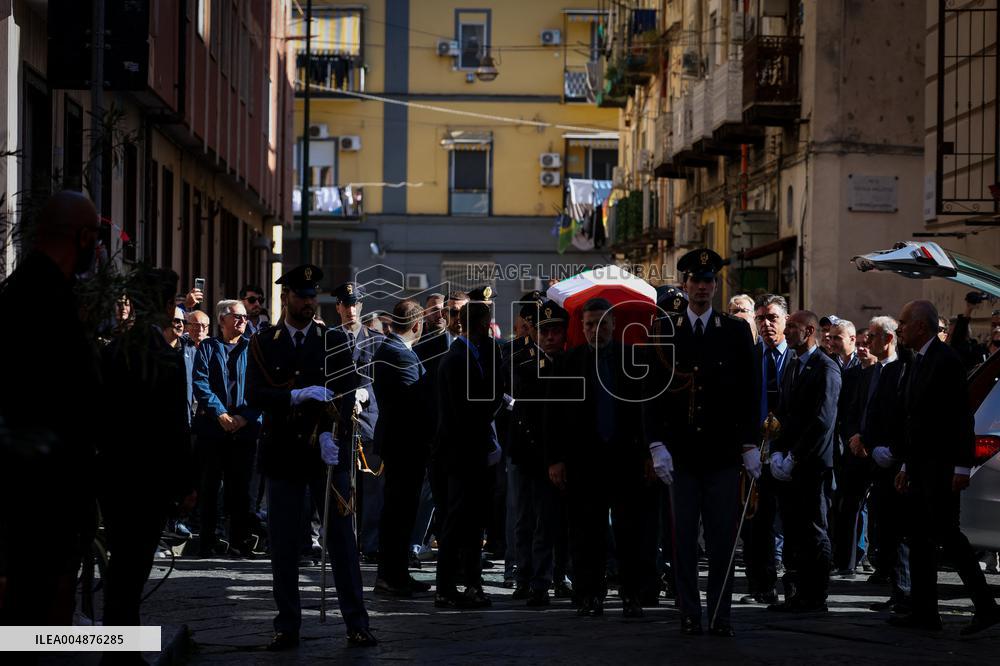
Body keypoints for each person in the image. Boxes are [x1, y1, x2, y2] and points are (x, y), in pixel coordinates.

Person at [245, 264, 376, 649]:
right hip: (284, 453)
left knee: (342, 543)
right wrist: (293, 396)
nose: (307, 302)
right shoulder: (265, 342)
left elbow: (349, 392)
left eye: (312, 296)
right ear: (286, 297)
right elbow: (254, 394)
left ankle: (356, 621)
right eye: (301, 296)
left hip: (326, 453)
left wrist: (335, 434)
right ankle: (287, 624)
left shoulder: (331, 338)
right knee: (284, 544)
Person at [0, 191, 102, 626]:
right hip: (36, 493)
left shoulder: (41, 291)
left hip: (48, 487)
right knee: (32, 611)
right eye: (95, 237)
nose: (97, 249)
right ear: (80, 236)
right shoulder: (40, 298)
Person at [644, 249, 757, 636]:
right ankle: (690, 612)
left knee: (723, 539)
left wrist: (750, 443)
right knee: (683, 541)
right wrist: (656, 443)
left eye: (709, 282)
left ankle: (721, 614)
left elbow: (749, 393)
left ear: (715, 286)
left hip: (723, 454)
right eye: (696, 281)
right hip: (681, 455)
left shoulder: (735, 332)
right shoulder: (665, 331)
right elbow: (652, 394)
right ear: (685, 285)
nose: (702, 289)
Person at [890, 300, 1000, 634]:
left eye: (904, 322)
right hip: (922, 465)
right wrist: (907, 465)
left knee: (948, 537)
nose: (900, 328)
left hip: (942, 466)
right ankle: (925, 612)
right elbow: (915, 419)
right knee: (921, 538)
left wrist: (962, 468)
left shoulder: (945, 361)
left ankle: (985, 607)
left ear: (921, 326)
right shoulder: (918, 360)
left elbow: (959, 418)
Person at [99, 268, 197, 629]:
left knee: (121, 564)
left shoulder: (114, 350)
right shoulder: (165, 355)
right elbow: (175, 425)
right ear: (168, 304)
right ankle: (123, 647)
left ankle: (118, 641)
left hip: (113, 475)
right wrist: (186, 483)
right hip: (149, 480)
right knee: (135, 566)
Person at [549, 297, 647, 619]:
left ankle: (632, 596)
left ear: (613, 325)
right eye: (589, 324)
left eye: (602, 323)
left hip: (625, 460)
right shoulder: (569, 362)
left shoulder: (633, 359)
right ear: (583, 327)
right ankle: (589, 594)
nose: (595, 330)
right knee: (585, 532)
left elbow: (645, 412)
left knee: (630, 532)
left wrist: (648, 454)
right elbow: (557, 417)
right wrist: (556, 459)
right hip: (584, 462)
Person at [768, 310, 841, 613]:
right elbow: (784, 413)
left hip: (812, 464)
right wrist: (776, 451)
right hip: (789, 462)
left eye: (793, 327)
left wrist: (795, 455)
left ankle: (817, 593)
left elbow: (822, 421)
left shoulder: (826, 368)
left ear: (809, 330)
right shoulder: (793, 366)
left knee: (814, 529)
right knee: (795, 529)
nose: (787, 331)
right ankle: (798, 593)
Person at [433, 297, 503, 609]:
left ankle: (471, 583)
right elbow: (473, 408)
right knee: (458, 521)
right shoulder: (458, 359)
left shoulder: (470, 355)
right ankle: (447, 587)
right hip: (462, 453)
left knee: (472, 521)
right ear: (480, 325)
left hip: (469, 452)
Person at [845, 316, 911, 613]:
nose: (866, 342)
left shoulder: (902, 370)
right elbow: (866, 409)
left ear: (887, 338)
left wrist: (892, 451)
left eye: (871, 336)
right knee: (883, 527)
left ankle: (904, 593)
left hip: (894, 460)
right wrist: (860, 437)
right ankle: (895, 589)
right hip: (871, 457)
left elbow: (902, 416)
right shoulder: (874, 371)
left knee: (899, 531)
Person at [508, 300, 570, 607]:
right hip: (530, 456)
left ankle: (553, 577)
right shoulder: (523, 361)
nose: (549, 338)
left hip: (561, 457)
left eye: (555, 332)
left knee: (555, 522)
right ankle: (529, 579)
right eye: (544, 331)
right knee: (527, 520)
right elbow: (525, 414)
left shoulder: (571, 363)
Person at [191, 300, 263, 557]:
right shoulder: (209, 348)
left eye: (245, 317)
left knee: (241, 489)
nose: (243, 321)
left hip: (245, 430)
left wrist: (245, 418)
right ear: (222, 320)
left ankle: (240, 541)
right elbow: (200, 383)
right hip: (213, 429)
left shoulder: (253, 348)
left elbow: (262, 388)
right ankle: (210, 540)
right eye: (238, 317)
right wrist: (220, 413)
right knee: (211, 487)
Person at [373, 300, 433, 596]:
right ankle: (391, 576)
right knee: (399, 513)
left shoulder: (391, 349)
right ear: (418, 326)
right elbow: (417, 403)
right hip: (405, 445)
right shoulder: (400, 355)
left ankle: (396, 574)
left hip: (398, 443)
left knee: (400, 512)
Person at [741, 294, 794, 606]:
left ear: (785, 320)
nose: (766, 324)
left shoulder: (797, 359)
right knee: (755, 524)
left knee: (789, 522)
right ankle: (761, 585)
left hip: (787, 454)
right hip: (754, 453)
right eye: (760, 318)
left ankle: (791, 583)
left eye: (772, 317)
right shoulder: (747, 357)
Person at [329, 281, 384, 562]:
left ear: (360, 306)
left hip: (369, 419)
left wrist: (368, 392)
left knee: (372, 488)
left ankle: (371, 544)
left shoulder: (376, 339)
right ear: (338, 307)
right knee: (341, 485)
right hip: (340, 420)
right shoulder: (328, 339)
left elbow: (383, 380)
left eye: (354, 304)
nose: (350, 309)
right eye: (345, 304)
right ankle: (343, 541)